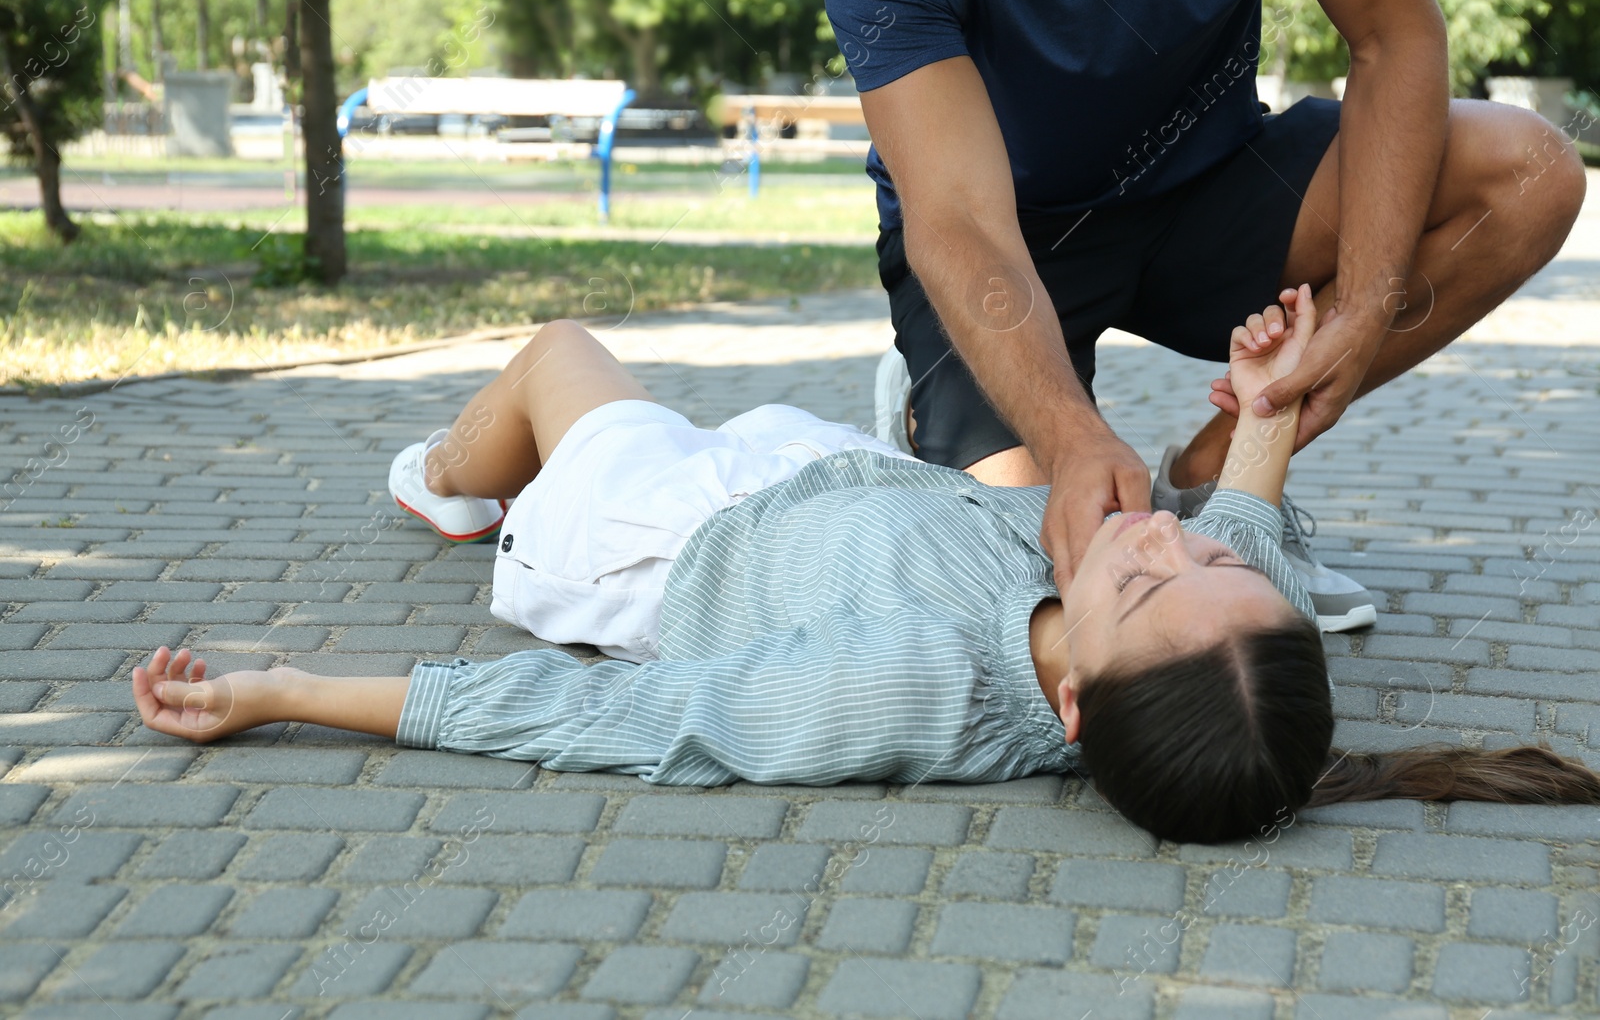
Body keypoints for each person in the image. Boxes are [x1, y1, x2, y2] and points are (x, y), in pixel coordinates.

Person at [132, 292, 1600, 844]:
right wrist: (1266, 413)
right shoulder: (1197, 635)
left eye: (1149, 575)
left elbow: (617, 721)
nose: (1162, 526)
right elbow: (1254, 543)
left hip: (663, 536)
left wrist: (289, 690)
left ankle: (450, 489)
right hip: (828, 481)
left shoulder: (893, 690)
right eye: (1192, 540)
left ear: (1076, 707)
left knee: (559, 354)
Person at [825, 0, 1587, 632]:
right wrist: (1069, 439)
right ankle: (941, 394)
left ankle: (1221, 483)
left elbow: (1395, 35)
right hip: (1005, 233)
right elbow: (957, 215)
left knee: (1531, 173)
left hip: (1210, 183)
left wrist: (1364, 307)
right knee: (1042, 581)